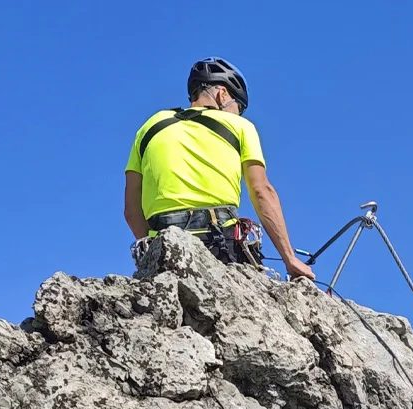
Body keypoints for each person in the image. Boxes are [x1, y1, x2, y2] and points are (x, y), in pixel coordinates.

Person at [123, 57, 315, 282]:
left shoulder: (149, 127)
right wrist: (289, 258)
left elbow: (131, 210)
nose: (238, 114)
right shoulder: (241, 126)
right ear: (222, 94)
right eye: (238, 107)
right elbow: (261, 191)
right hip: (221, 247)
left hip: (162, 250)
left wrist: (157, 251)